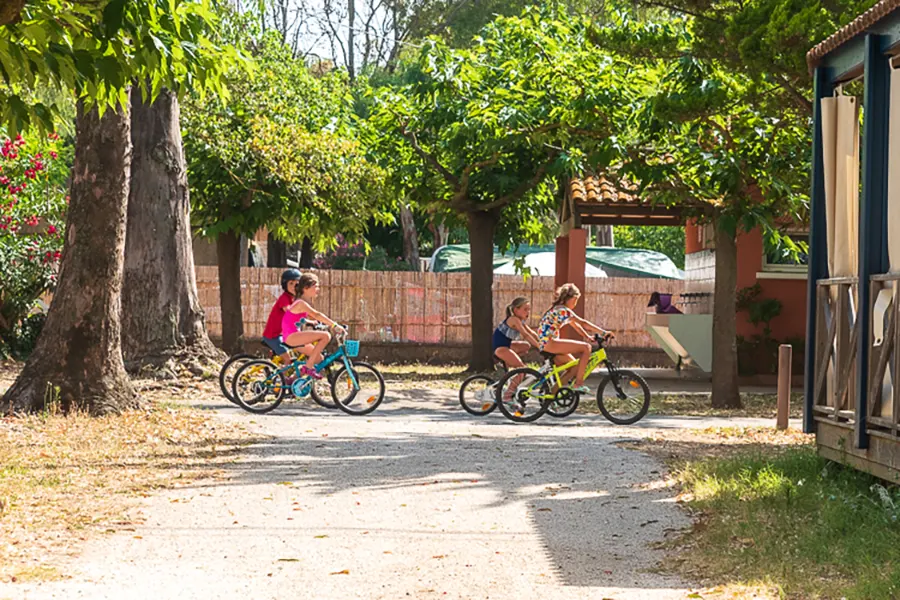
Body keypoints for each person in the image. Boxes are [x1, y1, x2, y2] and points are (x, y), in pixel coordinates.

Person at [538, 283, 613, 394]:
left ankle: (552, 394)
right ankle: (578, 384)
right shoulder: (563, 310)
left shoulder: (558, 309)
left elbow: (575, 325)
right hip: (550, 343)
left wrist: (587, 336)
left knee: (574, 367)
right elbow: (583, 323)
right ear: (571, 298)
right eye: (576, 300)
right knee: (586, 348)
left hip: (547, 344)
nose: (575, 303)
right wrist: (603, 332)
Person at [283, 272, 344, 380]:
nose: (318, 289)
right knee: (326, 336)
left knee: (318, 358)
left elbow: (298, 319)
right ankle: (308, 367)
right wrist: (334, 325)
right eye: (315, 286)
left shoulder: (301, 302)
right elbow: (317, 315)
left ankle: (291, 381)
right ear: (306, 288)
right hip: (292, 336)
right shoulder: (301, 303)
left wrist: (316, 324)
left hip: (294, 336)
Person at [261, 269, 314, 365]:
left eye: (297, 284)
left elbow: (304, 312)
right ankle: (283, 379)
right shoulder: (284, 298)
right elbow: (291, 313)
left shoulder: (295, 299)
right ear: (285, 285)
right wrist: (309, 322)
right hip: (272, 336)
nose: (294, 286)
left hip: (282, 335)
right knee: (287, 360)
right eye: (291, 283)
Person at [492, 297, 541, 369]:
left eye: (529, 310)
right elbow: (525, 335)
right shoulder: (513, 319)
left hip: (507, 345)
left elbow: (531, 332)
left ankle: (508, 362)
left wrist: (542, 341)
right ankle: (511, 363)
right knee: (522, 369)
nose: (528, 312)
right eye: (525, 309)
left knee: (526, 346)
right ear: (516, 310)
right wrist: (539, 346)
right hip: (500, 349)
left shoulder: (520, 320)